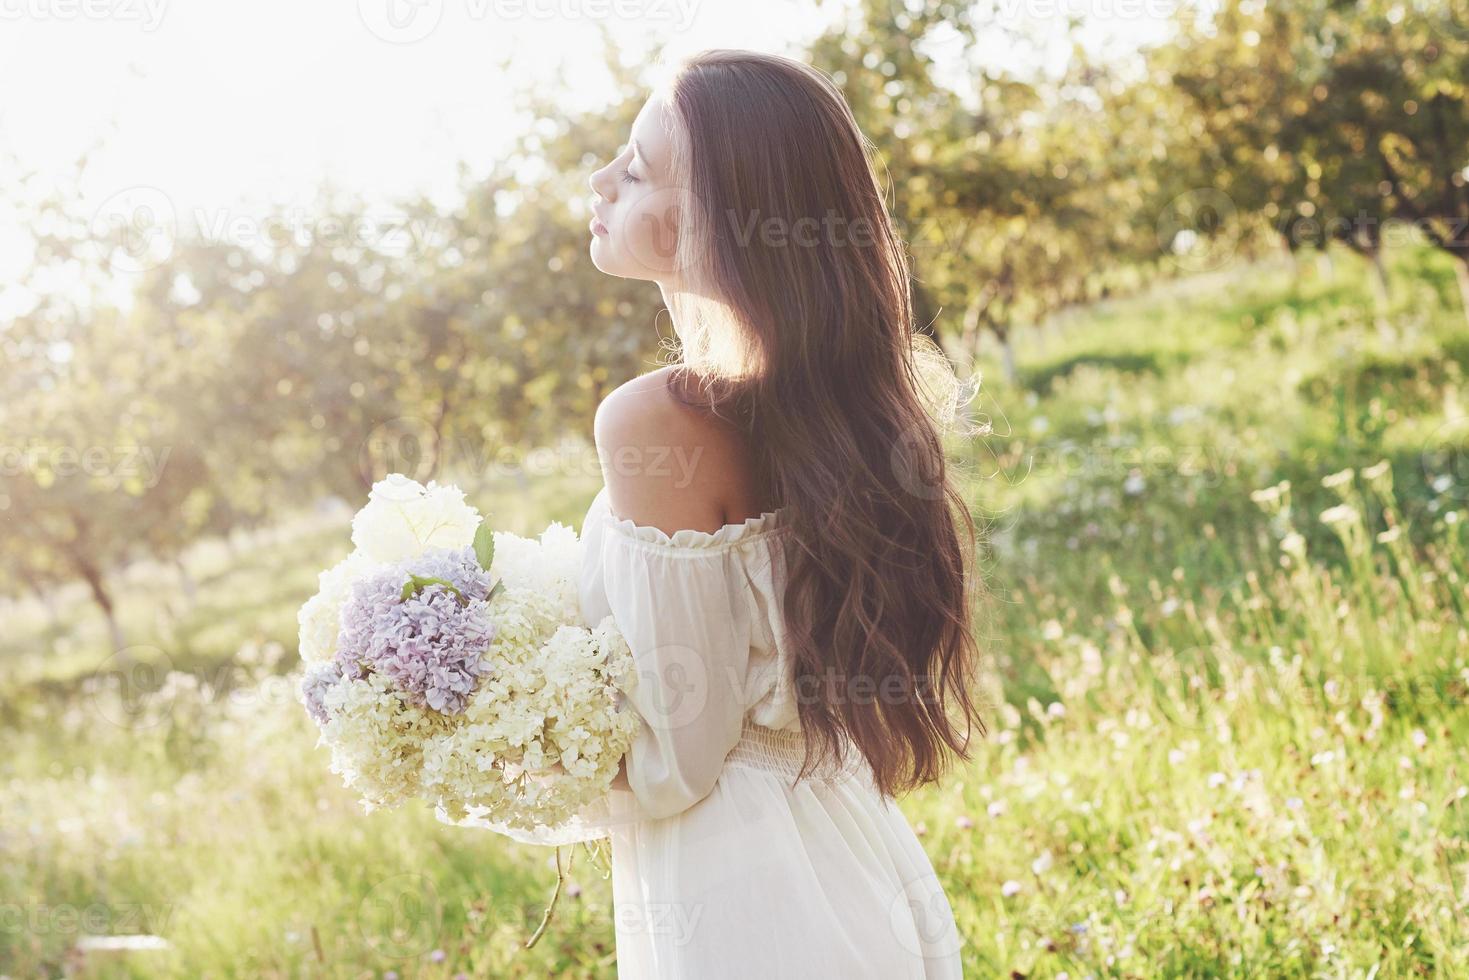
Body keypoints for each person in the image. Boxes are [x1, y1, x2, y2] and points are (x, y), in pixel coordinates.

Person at [583, 48, 985, 978]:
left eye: (637, 169)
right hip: (839, 834)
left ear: (721, 224)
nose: (600, 179)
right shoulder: (835, 410)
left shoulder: (654, 422)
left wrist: (498, 741)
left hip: (739, 889)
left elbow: (676, 755)